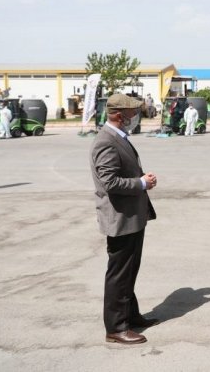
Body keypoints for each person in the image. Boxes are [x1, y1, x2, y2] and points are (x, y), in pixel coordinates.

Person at [89, 94, 159, 345]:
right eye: (131, 113)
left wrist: (141, 179)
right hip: (120, 218)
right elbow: (109, 181)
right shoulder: (105, 141)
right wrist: (141, 183)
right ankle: (116, 328)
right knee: (119, 273)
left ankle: (130, 315)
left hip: (131, 216)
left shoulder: (119, 137)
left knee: (129, 269)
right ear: (119, 115)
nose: (134, 116)